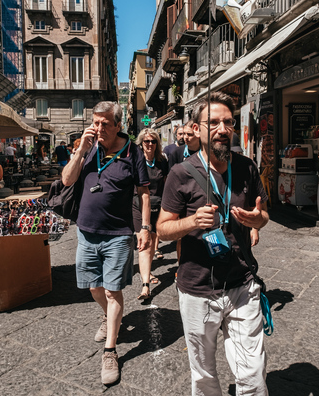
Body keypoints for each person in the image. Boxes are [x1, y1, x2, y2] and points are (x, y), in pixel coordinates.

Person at [157, 92, 270, 395]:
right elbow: (163, 229)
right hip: (197, 289)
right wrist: (193, 222)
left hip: (241, 283)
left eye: (228, 122)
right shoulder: (180, 174)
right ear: (196, 129)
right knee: (204, 374)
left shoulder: (246, 167)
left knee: (253, 374)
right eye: (214, 122)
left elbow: (264, 216)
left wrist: (257, 220)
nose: (222, 128)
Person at [61, 101, 150, 385]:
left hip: (118, 234)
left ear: (118, 125)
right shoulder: (88, 148)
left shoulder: (132, 151)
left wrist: (145, 227)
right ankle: (109, 318)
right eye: (95, 123)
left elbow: (144, 193)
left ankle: (110, 350)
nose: (98, 129)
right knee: (94, 287)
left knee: (113, 291)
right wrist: (80, 152)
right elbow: (66, 180)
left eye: (104, 124)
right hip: (86, 231)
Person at [132, 128, 169, 300]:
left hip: (158, 205)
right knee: (144, 242)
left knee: (153, 239)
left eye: (153, 141)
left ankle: (148, 271)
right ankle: (145, 285)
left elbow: (167, 183)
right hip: (139, 205)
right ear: (141, 143)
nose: (150, 144)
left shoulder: (162, 161)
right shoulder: (135, 160)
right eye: (146, 141)